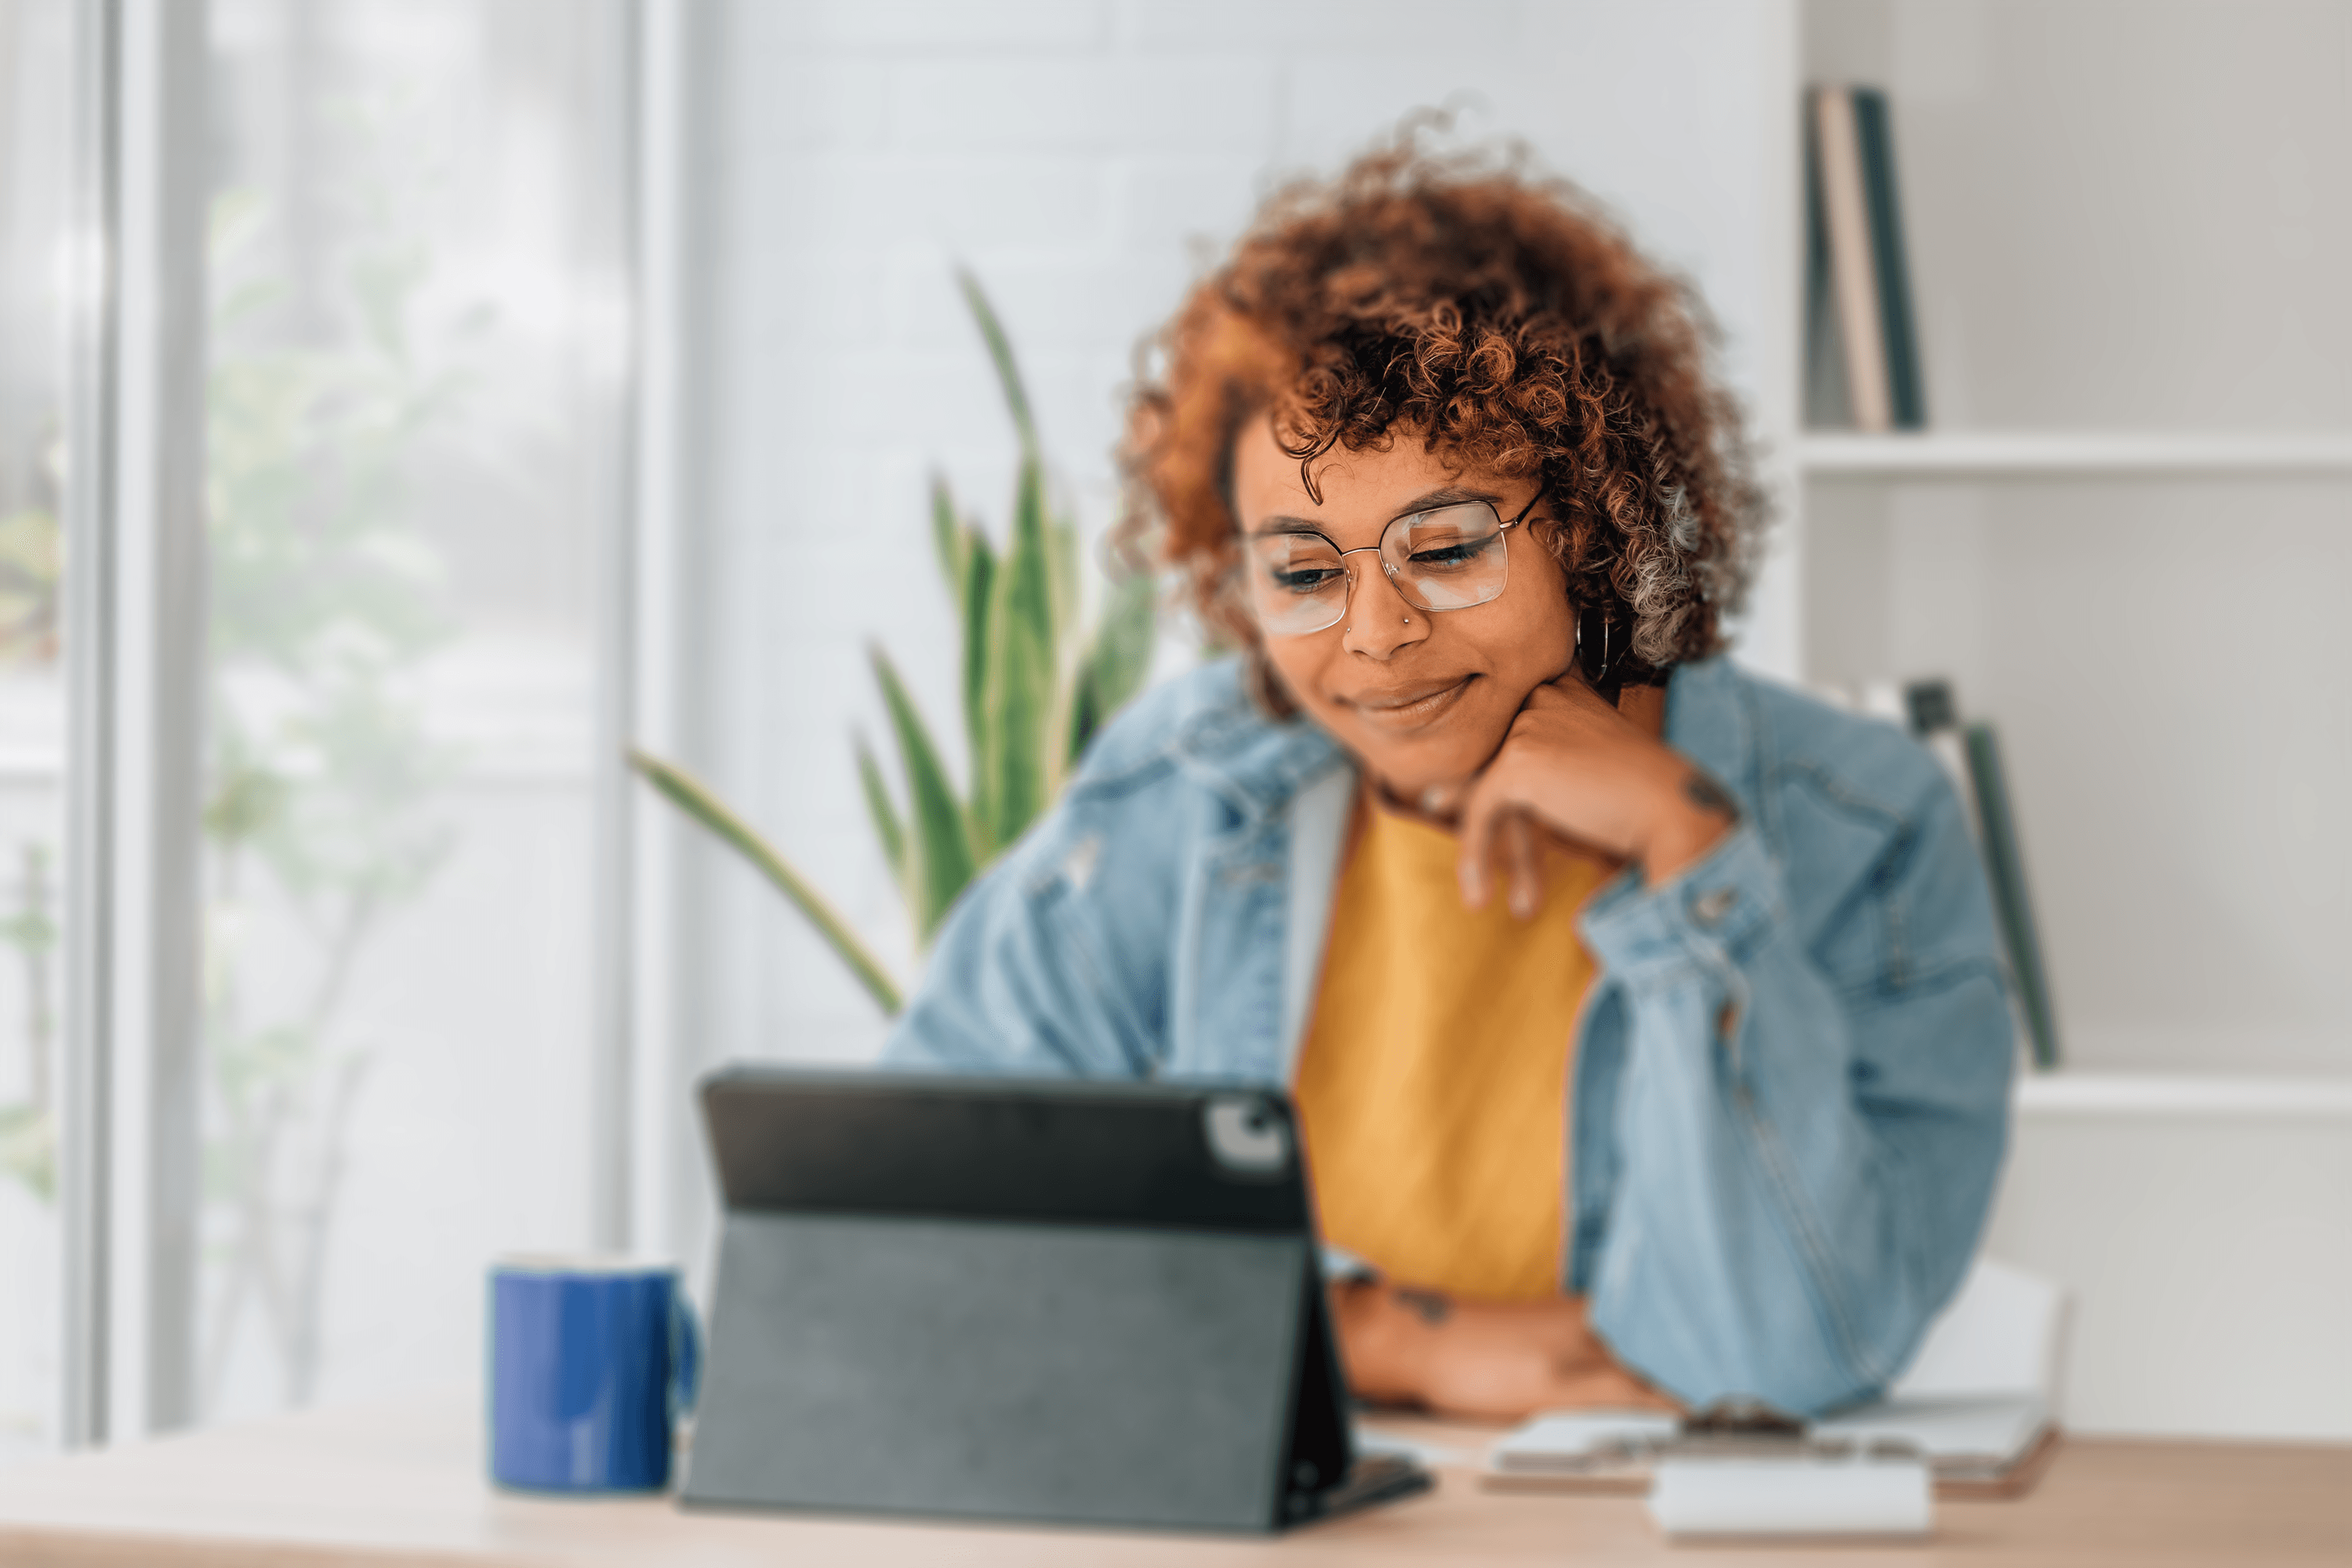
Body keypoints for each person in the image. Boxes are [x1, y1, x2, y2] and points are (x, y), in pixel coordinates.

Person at [884, 142, 2013, 1421]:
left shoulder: (1863, 825)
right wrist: (1384, 1335)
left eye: (1447, 548)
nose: (1374, 636)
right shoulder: (1190, 787)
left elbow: (1775, 1363)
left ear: (1590, 522)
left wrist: (1686, 854)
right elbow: (920, 1226)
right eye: (1303, 572)